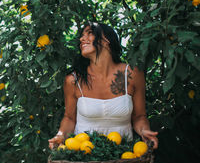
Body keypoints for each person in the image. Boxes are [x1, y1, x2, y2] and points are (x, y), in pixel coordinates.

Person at [48, 22, 159, 150]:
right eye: (82, 36)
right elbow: (69, 118)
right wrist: (61, 135)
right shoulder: (73, 80)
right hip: (84, 158)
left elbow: (139, 117)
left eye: (89, 33)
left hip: (124, 157)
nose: (82, 39)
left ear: (106, 40)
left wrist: (144, 130)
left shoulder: (132, 75)